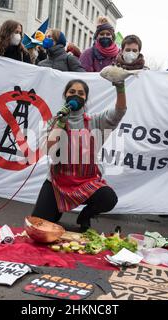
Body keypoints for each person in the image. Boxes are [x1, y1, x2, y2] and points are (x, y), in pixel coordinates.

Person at [32, 79, 127, 232]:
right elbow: (49, 148)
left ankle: (85, 216)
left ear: (86, 99)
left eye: (81, 93)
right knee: (38, 226)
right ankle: (56, 211)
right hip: (58, 184)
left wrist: (120, 88)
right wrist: (60, 124)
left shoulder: (96, 121)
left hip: (86, 182)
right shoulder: (54, 121)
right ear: (65, 95)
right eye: (72, 92)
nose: (76, 96)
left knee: (108, 198)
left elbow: (119, 112)